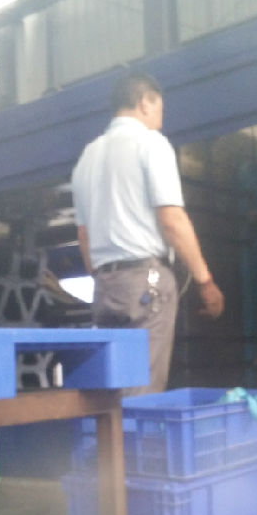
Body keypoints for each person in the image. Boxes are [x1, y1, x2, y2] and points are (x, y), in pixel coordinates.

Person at [71, 70, 224, 393]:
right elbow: (172, 219)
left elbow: (84, 235)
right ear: (144, 103)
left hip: (105, 287)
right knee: (143, 391)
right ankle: (136, 429)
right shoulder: (151, 143)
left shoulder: (87, 157)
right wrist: (205, 281)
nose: (160, 120)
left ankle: (112, 429)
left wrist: (106, 279)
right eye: (159, 110)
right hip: (146, 282)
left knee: (112, 390)